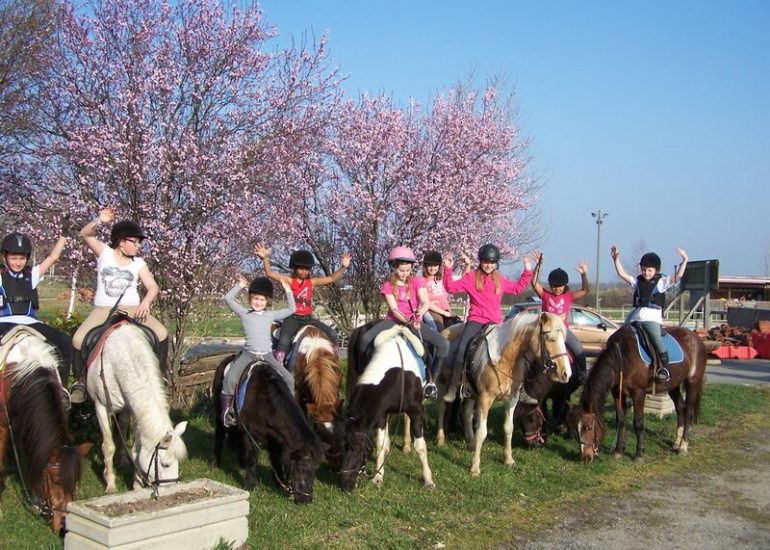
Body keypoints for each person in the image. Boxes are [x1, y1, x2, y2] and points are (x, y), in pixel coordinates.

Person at [70, 207, 168, 403]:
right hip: (104, 310)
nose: (138, 246)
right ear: (121, 242)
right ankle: (80, 381)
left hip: (132, 310)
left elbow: (152, 286)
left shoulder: (138, 263)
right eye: (135, 241)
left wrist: (146, 302)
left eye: (139, 242)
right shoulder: (104, 253)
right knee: (78, 338)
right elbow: (85, 234)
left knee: (162, 332)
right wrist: (100, 220)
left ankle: (161, 377)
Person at [442, 244, 534, 402]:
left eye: (492, 262)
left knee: (517, 349)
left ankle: (521, 389)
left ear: (496, 263)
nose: (488, 265)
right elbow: (450, 287)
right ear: (480, 261)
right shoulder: (471, 278)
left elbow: (517, 288)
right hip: (476, 320)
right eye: (485, 261)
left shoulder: (500, 279)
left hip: (496, 322)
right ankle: (453, 387)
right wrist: (448, 269)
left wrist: (527, 270)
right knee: (462, 347)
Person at [357, 246, 449, 399]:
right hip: (394, 321)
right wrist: (408, 320)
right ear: (394, 267)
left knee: (443, 344)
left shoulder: (416, 282)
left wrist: (419, 313)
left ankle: (431, 382)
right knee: (365, 339)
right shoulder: (388, 286)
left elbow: (425, 301)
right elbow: (394, 309)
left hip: (414, 322)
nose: (405, 274)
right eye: (401, 270)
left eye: (408, 270)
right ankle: (363, 375)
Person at [0, 223, 73, 387]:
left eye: (22, 258)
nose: (18, 262)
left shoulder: (32, 274)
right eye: (14, 258)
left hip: (31, 323)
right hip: (3, 323)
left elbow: (53, 258)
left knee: (66, 343)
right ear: (5, 256)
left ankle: (61, 390)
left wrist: (63, 235)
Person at [220, 275, 295, 427]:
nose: (258, 302)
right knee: (230, 379)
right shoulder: (244, 313)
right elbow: (228, 298)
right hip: (248, 354)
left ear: (267, 301)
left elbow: (292, 309)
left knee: (289, 378)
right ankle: (227, 412)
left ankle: (290, 410)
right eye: (255, 299)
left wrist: (288, 291)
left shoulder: (270, 315)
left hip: (267, 355)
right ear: (250, 299)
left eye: (262, 300)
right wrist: (239, 286)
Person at [256, 244, 350, 363]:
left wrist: (343, 267)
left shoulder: (312, 282)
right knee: (283, 341)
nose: (304, 271)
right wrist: (265, 258)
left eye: (307, 269)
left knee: (332, 333)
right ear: (294, 268)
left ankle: (334, 360)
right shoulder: (290, 281)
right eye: (301, 268)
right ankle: (278, 366)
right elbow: (270, 273)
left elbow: (331, 278)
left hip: (308, 318)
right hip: (293, 318)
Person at [611, 245, 688, 382]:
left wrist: (685, 260)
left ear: (656, 270)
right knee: (619, 334)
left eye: (650, 270)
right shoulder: (637, 281)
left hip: (652, 318)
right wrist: (616, 259)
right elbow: (621, 274)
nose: (646, 273)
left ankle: (665, 368)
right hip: (636, 316)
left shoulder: (661, 283)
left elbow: (678, 276)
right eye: (644, 270)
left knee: (655, 338)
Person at [530, 252, 590, 382]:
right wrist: (538, 265)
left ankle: (582, 374)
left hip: (563, 332)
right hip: (546, 332)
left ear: (565, 286)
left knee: (578, 348)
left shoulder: (568, 296)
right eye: (554, 286)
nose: (557, 288)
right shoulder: (545, 295)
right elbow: (533, 282)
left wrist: (583, 274)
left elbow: (585, 290)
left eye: (560, 286)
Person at [420, 249, 468, 333]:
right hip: (433, 311)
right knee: (439, 329)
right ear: (425, 266)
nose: (433, 268)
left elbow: (461, 280)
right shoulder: (422, 281)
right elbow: (426, 302)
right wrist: (443, 313)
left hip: (446, 311)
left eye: (435, 265)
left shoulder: (442, 278)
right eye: (430, 266)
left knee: (457, 330)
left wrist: (467, 265)